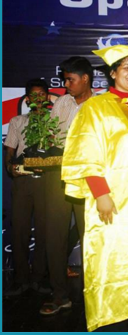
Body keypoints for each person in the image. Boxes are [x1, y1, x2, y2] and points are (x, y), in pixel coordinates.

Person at [60, 45, 128, 331]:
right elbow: (85, 152)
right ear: (112, 73)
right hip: (115, 203)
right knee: (114, 262)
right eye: (126, 68)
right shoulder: (96, 108)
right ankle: (113, 321)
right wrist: (101, 193)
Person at [40, 56, 93, 315]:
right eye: (64, 79)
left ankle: (93, 294)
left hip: (89, 177)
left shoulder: (100, 105)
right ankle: (60, 295)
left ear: (85, 79)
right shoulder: (61, 102)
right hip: (58, 175)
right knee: (55, 236)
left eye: (71, 79)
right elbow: (51, 135)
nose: (66, 84)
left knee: (91, 237)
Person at [4, 79, 52, 296]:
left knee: (44, 231)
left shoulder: (54, 121)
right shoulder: (17, 121)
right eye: (33, 96)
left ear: (48, 97)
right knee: (20, 231)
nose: (38, 99)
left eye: (42, 95)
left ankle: (39, 278)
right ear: (27, 99)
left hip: (45, 182)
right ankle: (20, 278)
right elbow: (10, 151)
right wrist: (9, 167)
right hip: (22, 181)